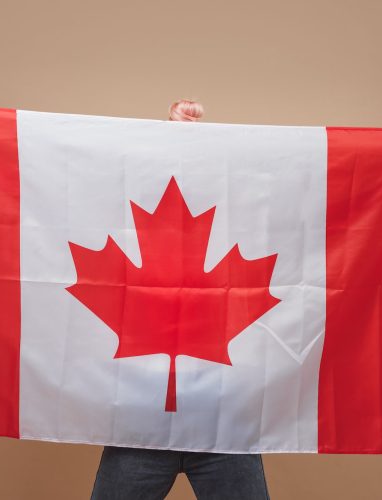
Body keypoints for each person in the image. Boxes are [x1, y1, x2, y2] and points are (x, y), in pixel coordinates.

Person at [89, 99, 271, 500]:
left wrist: (193, 153)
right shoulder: (133, 231)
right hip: (142, 425)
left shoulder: (234, 227)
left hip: (222, 422)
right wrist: (174, 145)